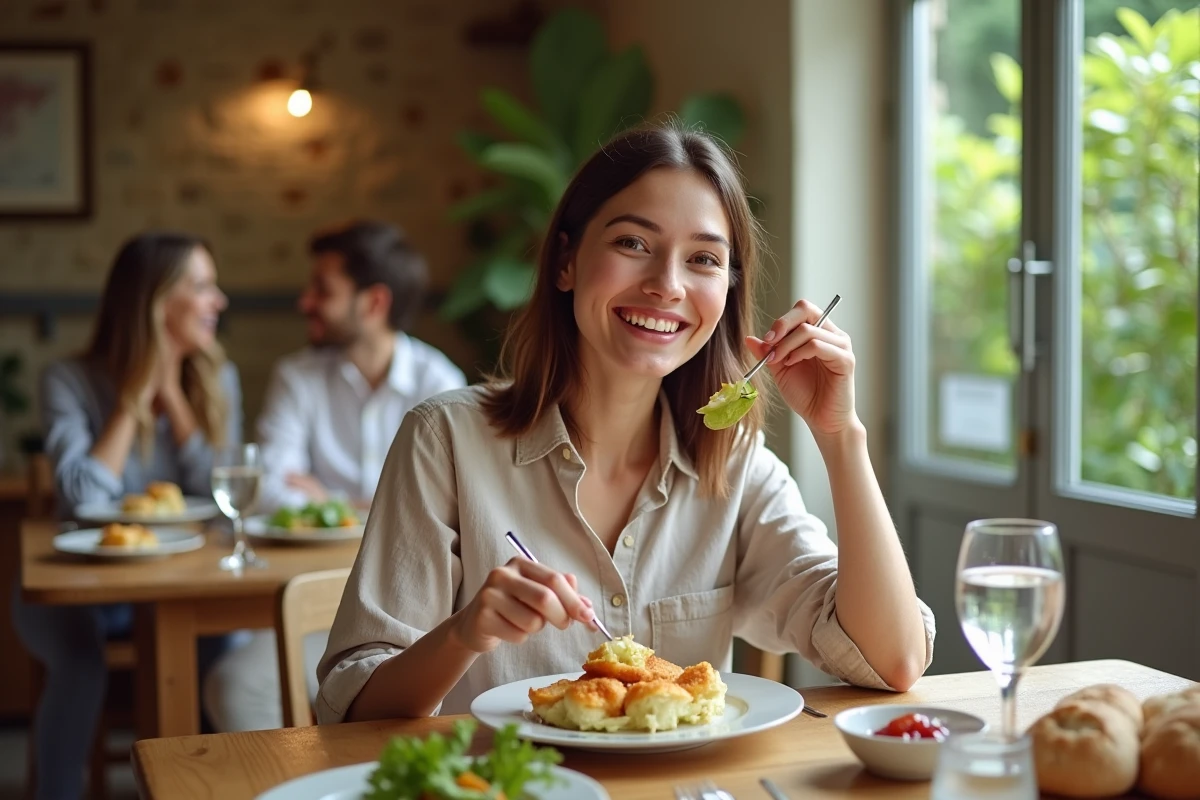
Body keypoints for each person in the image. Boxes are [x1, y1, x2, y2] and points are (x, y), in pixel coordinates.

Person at [316, 123, 936, 724]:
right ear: (566, 262)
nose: (667, 285)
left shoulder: (735, 463)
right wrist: (465, 632)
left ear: (725, 291)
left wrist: (840, 434)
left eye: (702, 259)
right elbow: (355, 710)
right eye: (632, 244)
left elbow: (894, 659)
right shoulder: (444, 441)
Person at [201, 220, 466, 731]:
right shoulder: (295, 377)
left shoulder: (440, 385)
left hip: (417, 619)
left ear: (373, 303)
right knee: (236, 685)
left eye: (322, 290)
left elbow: (450, 519)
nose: (305, 302)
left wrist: (327, 500)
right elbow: (268, 491)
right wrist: (376, 509)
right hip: (314, 603)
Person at [12, 232, 241, 799]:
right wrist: (137, 392)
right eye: (203, 286)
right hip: (80, 587)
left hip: (179, 582)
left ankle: (206, 788)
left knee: (226, 650)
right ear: (157, 304)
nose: (219, 301)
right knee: (80, 664)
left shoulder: (217, 378)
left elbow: (226, 498)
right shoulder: (66, 379)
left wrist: (177, 397)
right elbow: (83, 501)